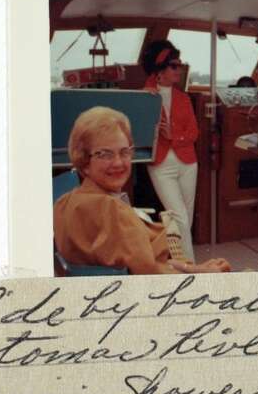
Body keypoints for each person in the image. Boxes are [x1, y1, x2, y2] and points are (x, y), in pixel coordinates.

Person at [54, 106, 229, 274]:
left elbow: (138, 261)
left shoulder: (63, 203)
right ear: (84, 162)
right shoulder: (114, 211)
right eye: (105, 154)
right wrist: (206, 274)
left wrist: (195, 268)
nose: (118, 163)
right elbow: (150, 273)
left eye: (124, 152)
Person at [142, 39, 199, 262]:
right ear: (160, 69)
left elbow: (194, 133)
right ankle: (192, 267)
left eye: (180, 65)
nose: (179, 69)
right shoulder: (145, 97)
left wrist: (173, 136)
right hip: (161, 164)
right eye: (174, 65)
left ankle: (178, 262)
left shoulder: (184, 98)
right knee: (180, 217)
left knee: (186, 218)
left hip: (188, 162)